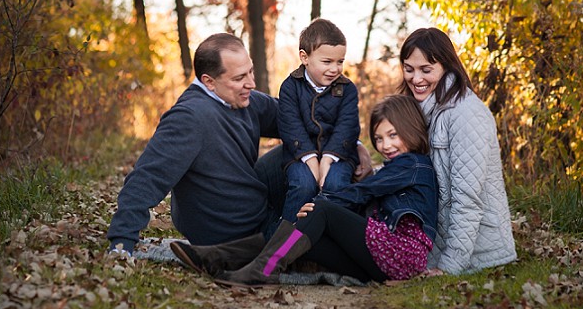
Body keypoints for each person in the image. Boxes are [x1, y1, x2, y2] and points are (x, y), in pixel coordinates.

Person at [108, 33, 374, 270]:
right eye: (239, 78)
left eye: (250, 72)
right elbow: (146, 178)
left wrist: (353, 147)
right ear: (209, 82)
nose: (250, 83)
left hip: (251, 201)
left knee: (305, 156)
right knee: (335, 248)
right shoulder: (188, 119)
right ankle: (245, 252)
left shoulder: (243, 99)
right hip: (231, 228)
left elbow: (299, 121)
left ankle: (360, 214)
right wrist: (121, 243)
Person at [173, 95, 437, 286]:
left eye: (393, 135)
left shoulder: (413, 164)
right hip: (380, 263)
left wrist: (322, 203)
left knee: (318, 211)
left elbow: (362, 192)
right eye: (378, 138)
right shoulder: (400, 166)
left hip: (400, 253)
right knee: (301, 237)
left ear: (410, 129)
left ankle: (262, 269)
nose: (385, 145)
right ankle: (217, 256)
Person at [398, 27, 517, 275]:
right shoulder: (423, 110)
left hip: (477, 252)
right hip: (431, 239)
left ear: (447, 67)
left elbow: (467, 200)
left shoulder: (465, 114)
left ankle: (292, 251)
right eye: (409, 69)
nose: (416, 78)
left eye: (426, 70)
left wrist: (449, 267)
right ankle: (294, 253)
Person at [277, 18, 360, 223]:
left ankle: (332, 235)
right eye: (327, 62)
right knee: (303, 184)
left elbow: (347, 126)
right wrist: (311, 159)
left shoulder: (347, 89)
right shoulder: (291, 87)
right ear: (305, 58)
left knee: (335, 183)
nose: (335, 69)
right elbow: (291, 125)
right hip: (300, 154)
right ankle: (287, 240)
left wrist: (329, 158)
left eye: (340, 61)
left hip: (339, 153)